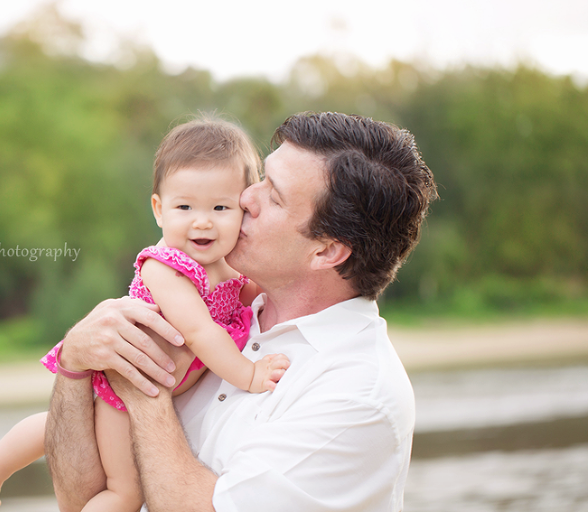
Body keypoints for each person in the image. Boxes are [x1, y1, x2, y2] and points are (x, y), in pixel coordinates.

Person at [45, 111, 439, 512]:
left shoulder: (355, 393)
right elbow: (79, 501)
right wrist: (74, 364)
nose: (245, 197)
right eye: (260, 179)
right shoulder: (224, 307)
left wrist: (144, 389)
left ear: (326, 250)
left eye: (273, 195)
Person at [0, 116, 291, 510]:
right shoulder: (166, 266)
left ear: (243, 208)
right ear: (158, 208)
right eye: (184, 206)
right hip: (123, 386)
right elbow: (200, 332)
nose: (201, 221)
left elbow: (253, 296)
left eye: (220, 207)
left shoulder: (229, 266)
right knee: (123, 493)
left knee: (61, 429)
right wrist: (249, 374)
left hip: (151, 386)